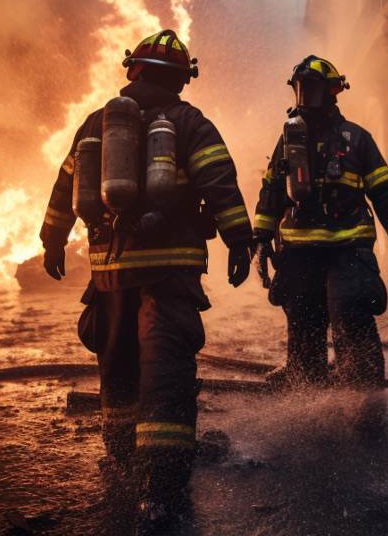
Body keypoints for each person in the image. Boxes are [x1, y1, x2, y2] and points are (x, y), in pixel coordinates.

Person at [40, 29, 254, 534]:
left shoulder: (97, 123)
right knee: (166, 376)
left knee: (117, 370)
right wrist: (240, 239)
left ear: (131, 70)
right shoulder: (189, 121)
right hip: (169, 274)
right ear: (182, 77)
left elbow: (65, 184)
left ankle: (120, 465)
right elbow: (219, 182)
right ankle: (162, 492)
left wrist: (51, 240)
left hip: (110, 275)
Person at [252, 56, 388, 388]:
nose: (305, 96)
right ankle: (305, 378)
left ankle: (360, 388)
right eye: (301, 88)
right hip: (299, 250)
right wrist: (261, 237)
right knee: (302, 317)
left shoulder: (356, 139)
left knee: (351, 312)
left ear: (333, 91)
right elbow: (271, 190)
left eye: (311, 88)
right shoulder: (289, 140)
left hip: (348, 247)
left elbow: (385, 191)